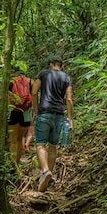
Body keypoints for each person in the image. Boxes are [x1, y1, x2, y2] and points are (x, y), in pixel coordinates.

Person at [32, 55, 73, 192]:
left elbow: (34, 92)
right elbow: (69, 99)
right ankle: (49, 174)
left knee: (40, 144)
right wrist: (70, 119)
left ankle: (45, 172)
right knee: (53, 146)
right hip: (59, 115)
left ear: (51, 64)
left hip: (44, 112)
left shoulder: (43, 74)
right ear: (62, 65)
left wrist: (36, 110)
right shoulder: (67, 78)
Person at [8, 69, 33, 165]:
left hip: (13, 110)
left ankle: (12, 165)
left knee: (13, 140)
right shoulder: (30, 81)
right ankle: (17, 162)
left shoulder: (11, 81)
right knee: (20, 139)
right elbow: (33, 95)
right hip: (26, 112)